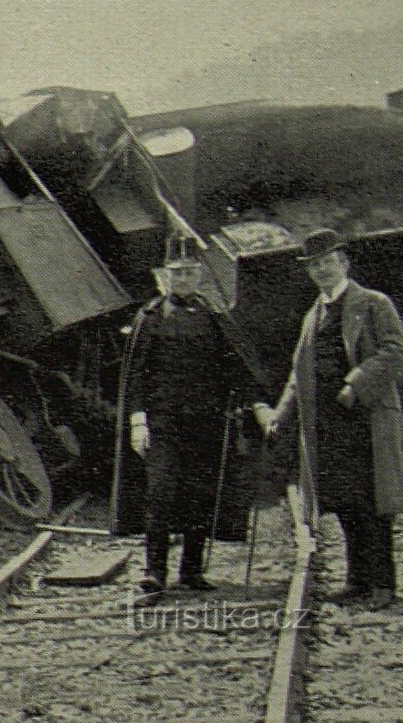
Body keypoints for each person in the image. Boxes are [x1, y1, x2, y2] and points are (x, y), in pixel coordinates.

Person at [266, 228, 403, 610]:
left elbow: (397, 352)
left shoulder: (372, 303)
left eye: (327, 262)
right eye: (314, 265)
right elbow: (298, 374)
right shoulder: (312, 316)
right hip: (329, 425)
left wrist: (357, 382)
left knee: (373, 504)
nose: (322, 270)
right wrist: (280, 416)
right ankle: (357, 580)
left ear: (343, 262)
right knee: (346, 503)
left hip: (367, 421)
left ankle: (383, 585)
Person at [110, 233, 270, 599]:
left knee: (200, 494)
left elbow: (238, 367)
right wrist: (137, 421)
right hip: (162, 423)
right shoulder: (148, 318)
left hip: (207, 423)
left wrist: (253, 404)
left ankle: (192, 571)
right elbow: (134, 375)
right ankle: (154, 571)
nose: (183, 280)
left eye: (189, 274)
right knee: (161, 492)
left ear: (199, 276)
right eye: (176, 274)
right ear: (164, 277)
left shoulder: (214, 317)